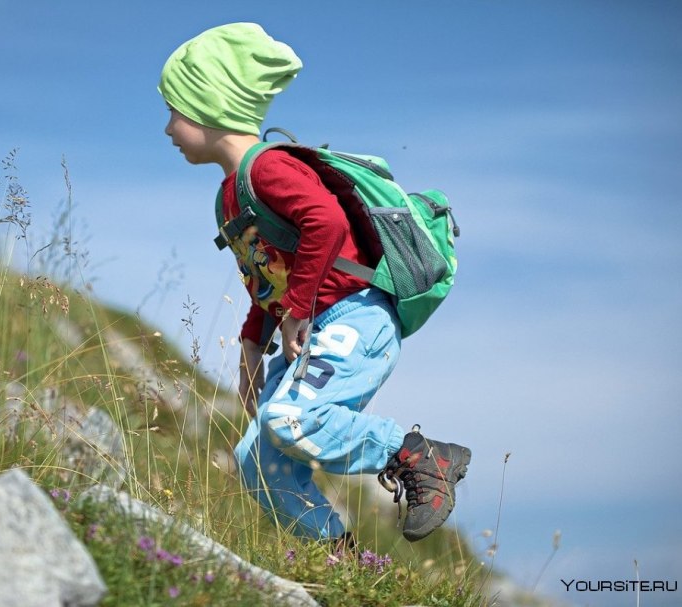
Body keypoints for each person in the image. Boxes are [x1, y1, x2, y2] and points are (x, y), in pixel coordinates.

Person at [158, 22, 470, 545]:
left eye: (174, 111)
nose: (168, 128)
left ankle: (420, 457)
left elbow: (326, 222)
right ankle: (334, 558)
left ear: (209, 108)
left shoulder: (269, 169)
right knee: (256, 459)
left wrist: (299, 310)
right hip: (311, 324)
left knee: (288, 418)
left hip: (355, 315)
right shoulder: (230, 195)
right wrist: (252, 345)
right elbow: (267, 278)